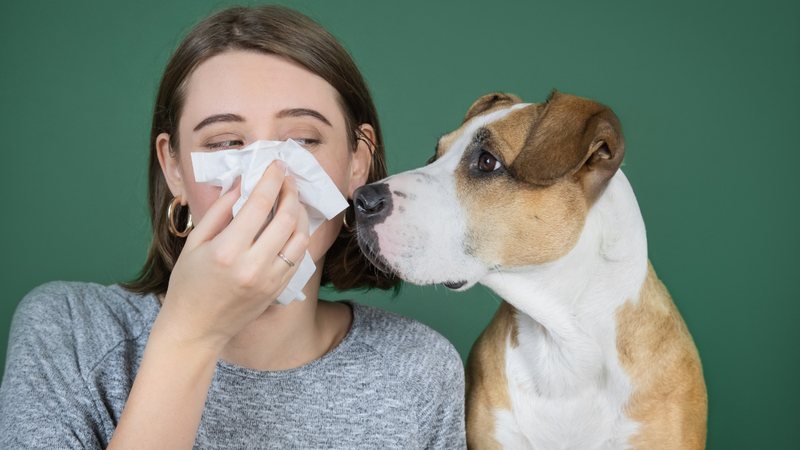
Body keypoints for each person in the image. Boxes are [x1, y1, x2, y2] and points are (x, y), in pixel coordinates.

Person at [0, 5, 465, 449]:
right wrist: (191, 332)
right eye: (226, 142)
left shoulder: (419, 368)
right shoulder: (69, 332)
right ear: (175, 168)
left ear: (356, 162)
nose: (268, 178)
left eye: (302, 139)